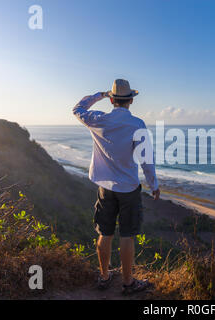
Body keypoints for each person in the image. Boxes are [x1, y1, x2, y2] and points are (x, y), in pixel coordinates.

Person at [73, 79, 160, 294]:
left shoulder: (97, 120)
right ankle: (128, 283)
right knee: (127, 235)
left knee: (105, 232)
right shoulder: (137, 124)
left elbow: (78, 108)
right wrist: (153, 184)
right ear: (131, 100)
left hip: (105, 187)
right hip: (128, 188)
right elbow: (146, 159)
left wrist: (99, 95)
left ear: (112, 100)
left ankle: (104, 277)